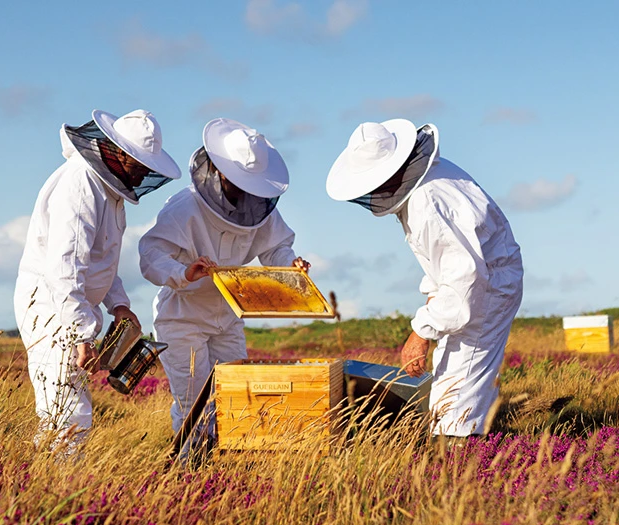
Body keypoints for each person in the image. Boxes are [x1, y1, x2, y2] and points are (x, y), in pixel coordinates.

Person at [325, 119, 523, 438]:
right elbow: (445, 263)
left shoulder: (427, 202)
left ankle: (461, 464)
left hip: (485, 287)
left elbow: (464, 279)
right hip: (482, 279)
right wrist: (432, 303)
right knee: (458, 380)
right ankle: (472, 451)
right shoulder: (428, 182)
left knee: (456, 394)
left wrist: (421, 332)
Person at [139, 118, 309, 463]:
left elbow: (276, 246)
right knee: (194, 402)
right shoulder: (184, 207)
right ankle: (189, 471)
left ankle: (224, 470)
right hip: (183, 318)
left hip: (229, 316)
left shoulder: (259, 208)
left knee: (234, 398)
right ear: (218, 172)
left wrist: (289, 265)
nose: (246, 192)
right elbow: (151, 255)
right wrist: (183, 272)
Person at [14, 109, 181, 456]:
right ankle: (55, 489)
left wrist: (119, 305)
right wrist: (80, 333)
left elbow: (101, 261)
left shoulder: (109, 191)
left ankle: (50, 483)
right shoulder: (81, 184)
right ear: (120, 153)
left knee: (68, 405)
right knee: (66, 410)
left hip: (70, 304)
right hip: (51, 305)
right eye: (140, 164)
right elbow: (66, 266)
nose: (144, 173)